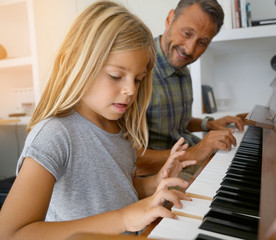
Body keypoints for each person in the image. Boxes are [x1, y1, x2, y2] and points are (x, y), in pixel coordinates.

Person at [0, 1, 196, 239]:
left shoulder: (120, 131)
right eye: (116, 76)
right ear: (77, 64)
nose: (130, 90)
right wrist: (124, 218)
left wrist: (155, 183)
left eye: (138, 79)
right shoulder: (55, 135)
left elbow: (119, 191)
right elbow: (12, 233)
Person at [135, 0, 245, 178]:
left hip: (190, 158)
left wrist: (208, 124)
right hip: (159, 174)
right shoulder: (137, 71)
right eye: (187, 33)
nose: (189, 49)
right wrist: (196, 151)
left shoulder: (182, 69)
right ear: (170, 18)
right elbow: (131, 159)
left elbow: (174, 122)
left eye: (202, 42)